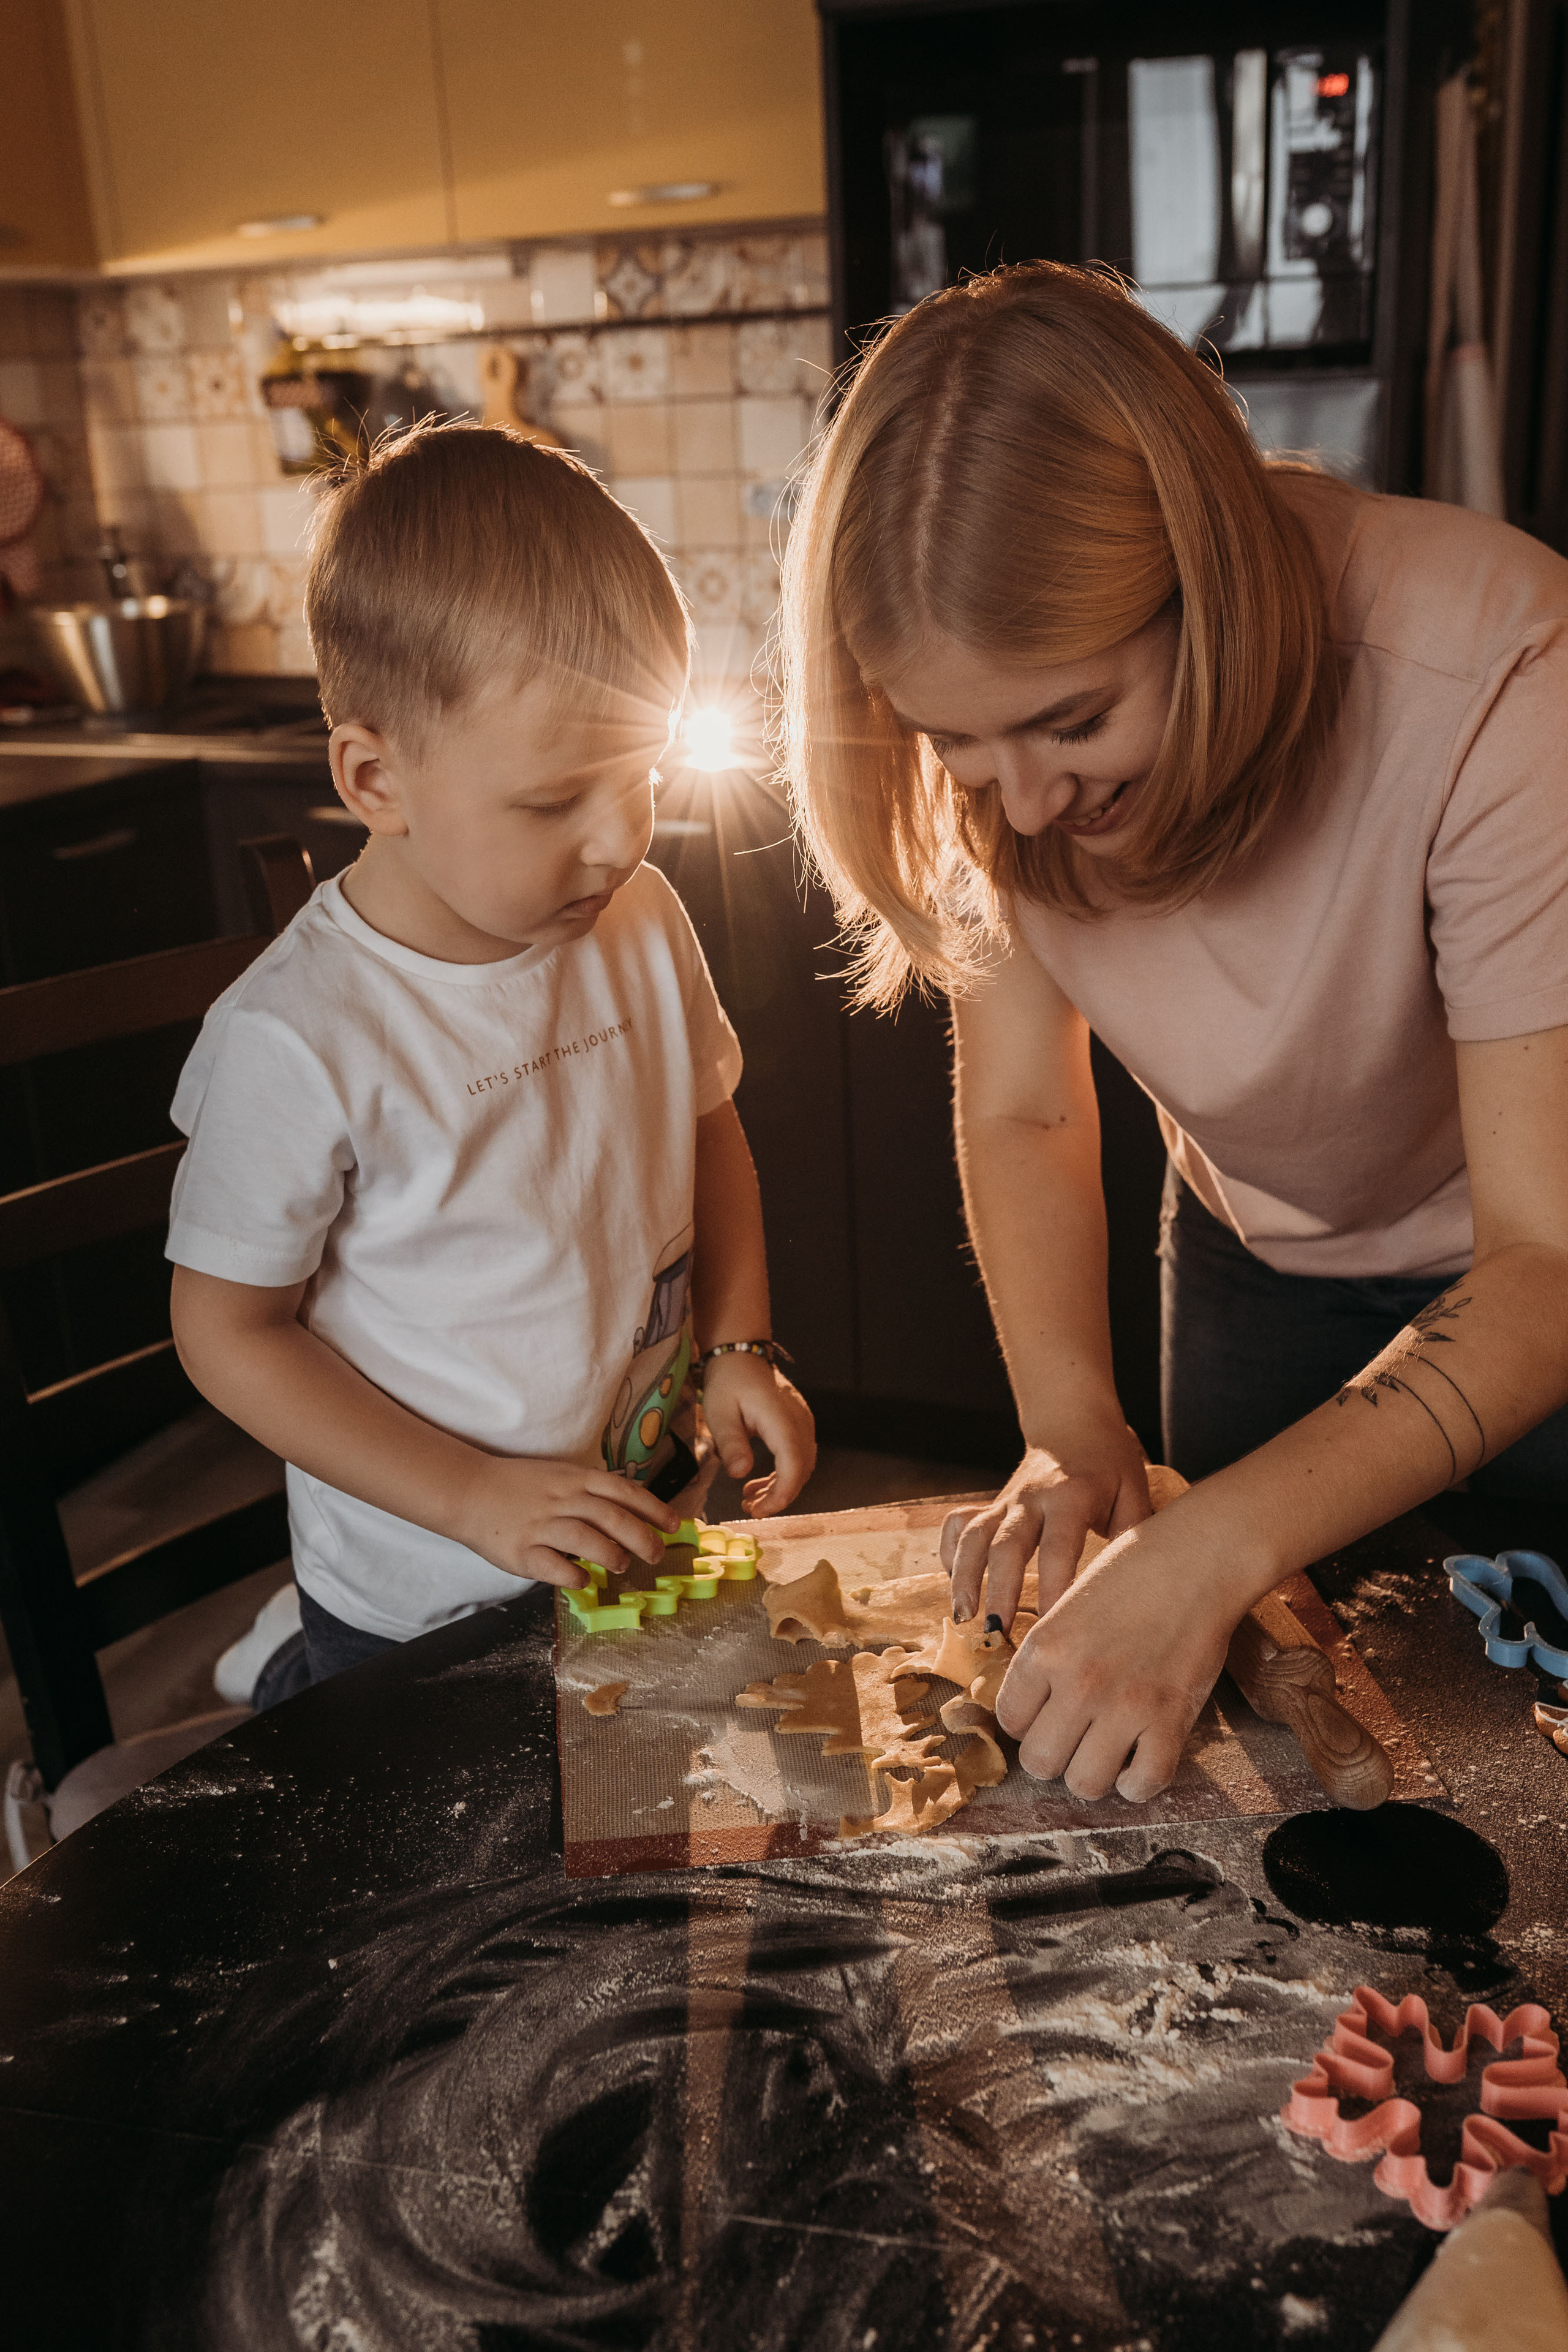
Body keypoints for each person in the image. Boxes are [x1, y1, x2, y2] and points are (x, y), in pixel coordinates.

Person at [781, 260, 1568, 1804]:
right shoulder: (998, 739)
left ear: (1203, 594)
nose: (1018, 806)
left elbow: (1544, 1261)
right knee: (1283, 1767)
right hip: (1242, 1268)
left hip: (1520, 1287)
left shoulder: (1497, 666)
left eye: (1076, 725)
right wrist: (1072, 1439)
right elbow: (1022, 1110)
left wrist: (1206, 1538)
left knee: (1506, 1767)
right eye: (957, 747)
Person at [170, 421, 815, 1686]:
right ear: (373, 778)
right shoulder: (295, 1036)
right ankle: (283, 1675)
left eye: (637, 775)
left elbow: (707, 1129)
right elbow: (228, 1331)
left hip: (639, 1529)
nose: (614, 839)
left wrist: (740, 1344)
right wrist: (470, 1496)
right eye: (549, 800)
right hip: (427, 1596)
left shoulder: (636, 923)